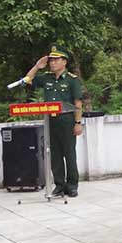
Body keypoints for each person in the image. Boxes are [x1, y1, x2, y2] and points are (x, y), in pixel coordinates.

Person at [22, 45, 84, 197]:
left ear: (64, 62)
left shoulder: (72, 80)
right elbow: (27, 80)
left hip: (67, 121)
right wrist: (37, 66)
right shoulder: (47, 78)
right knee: (55, 155)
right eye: (51, 60)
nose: (52, 63)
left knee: (69, 154)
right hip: (51, 121)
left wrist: (78, 123)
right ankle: (59, 185)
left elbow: (78, 103)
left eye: (56, 60)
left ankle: (72, 185)